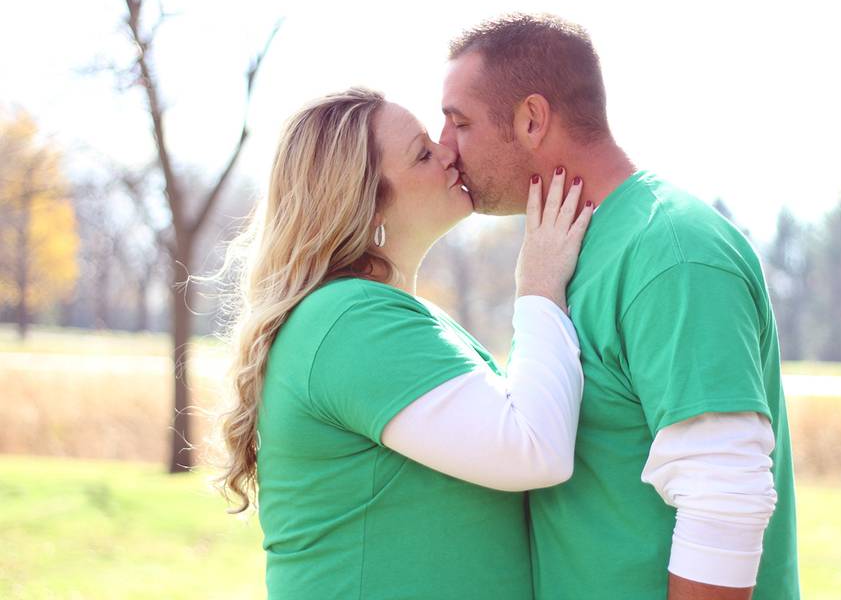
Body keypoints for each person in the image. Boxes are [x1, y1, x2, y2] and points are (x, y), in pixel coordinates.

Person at [440, 14, 800, 600]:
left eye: (460, 122)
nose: (445, 147)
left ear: (531, 119)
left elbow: (724, 500)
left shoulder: (673, 251)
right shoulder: (565, 254)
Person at [213, 88, 594, 599]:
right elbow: (533, 449)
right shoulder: (351, 323)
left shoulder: (372, 317)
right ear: (367, 207)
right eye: (422, 154)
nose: (449, 152)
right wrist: (539, 287)